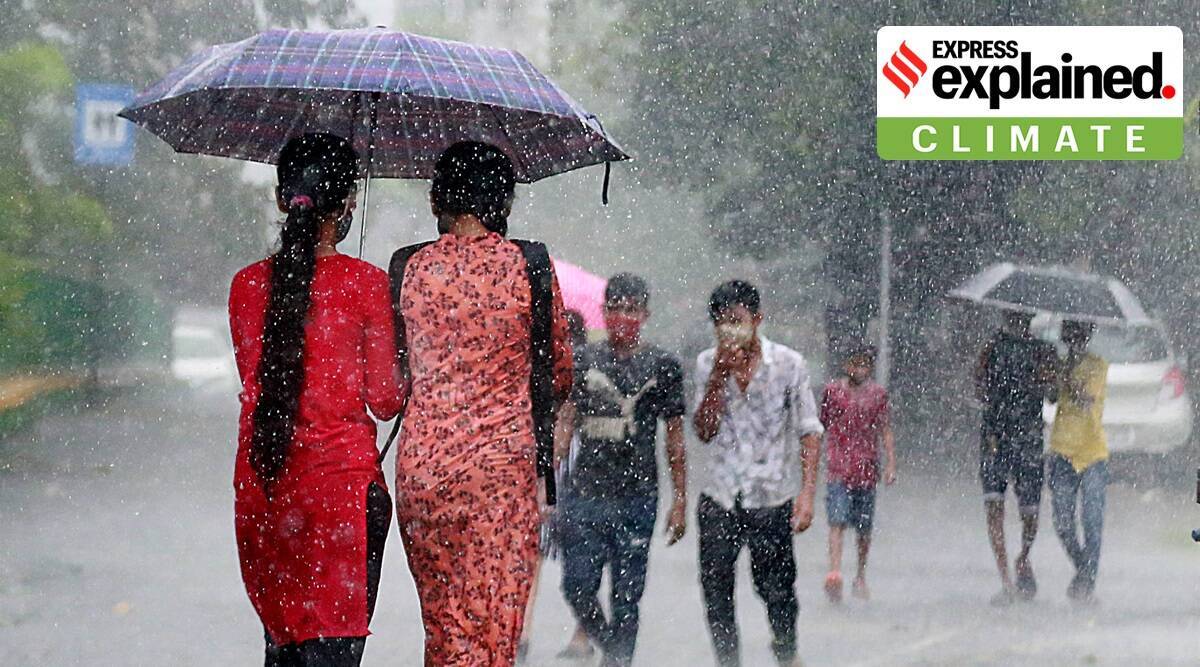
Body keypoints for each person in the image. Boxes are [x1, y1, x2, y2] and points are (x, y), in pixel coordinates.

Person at [390, 141, 573, 666]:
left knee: (445, 628)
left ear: (436, 201)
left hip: (423, 474)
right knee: (494, 630)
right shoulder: (528, 265)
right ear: (505, 203)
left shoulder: (409, 268)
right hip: (500, 475)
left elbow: (396, 378)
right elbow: (559, 373)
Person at [228, 133, 403, 666]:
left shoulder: (245, 286)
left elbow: (266, 384)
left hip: (264, 488)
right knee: (333, 650)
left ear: (284, 200)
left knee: (283, 648)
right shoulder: (367, 284)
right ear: (348, 205)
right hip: (340, 498)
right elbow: (385, 399)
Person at [557, 274, 688, 667]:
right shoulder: (583, 360)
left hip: (637, 496)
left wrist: (680, 500)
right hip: (585, 494)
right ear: (605, 312)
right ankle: (613, 649)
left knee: (627, 596)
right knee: (576, 586)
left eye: (632, 309)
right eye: (615, 308)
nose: (623, 317)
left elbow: (676, 438)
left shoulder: (663, 366)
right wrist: (545, 481)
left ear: (644, 314)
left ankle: (618, 661)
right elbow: (565, 419)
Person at [692, 280, 823, 667]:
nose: (729, 331)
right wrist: (717, 378)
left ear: (756, 319)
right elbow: (703, 430)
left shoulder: (789, 364)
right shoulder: (705, 364)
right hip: (720, 496)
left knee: (777, 590)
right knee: (716, 593)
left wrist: (806, 495)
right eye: (721, 323)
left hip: (771, 497)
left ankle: (786, 652)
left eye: (736, 320)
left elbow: (809, 431)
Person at [518, 309, 588, 664]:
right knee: (536, 552)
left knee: (575, 561)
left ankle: (571, 631)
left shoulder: (583, 372)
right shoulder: (536, 371)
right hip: (550, 468)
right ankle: (526, 631)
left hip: (572, 474)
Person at [974, 310, 1057, 605]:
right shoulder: (992, 346)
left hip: (1028, 438)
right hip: (995, 437)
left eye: (1021, 316)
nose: (1016, 321)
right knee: (994, 505)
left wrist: (1047, 374)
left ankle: (1023, 556)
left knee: (1030, 512)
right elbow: (979, 389)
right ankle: (1006, 579)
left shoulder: (1042, 350)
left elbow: (1053, 394)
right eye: (1012, 316)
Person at [819, 344, 896, 603]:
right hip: (838, 469)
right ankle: (835, 571)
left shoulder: (877, 395)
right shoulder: (832, 392)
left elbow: (885, 430)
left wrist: (890, 464)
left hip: (866, 469)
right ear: (846, 365)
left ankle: (860, 575)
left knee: (864, 528)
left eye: (864, 364)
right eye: (855, 363)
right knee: (836, 521)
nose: (859, 369)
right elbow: (821, 425)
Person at [1047, 320, 1109, 603]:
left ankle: (1087, 584)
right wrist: (1050, 374)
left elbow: (1087, 400)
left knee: (1092, 522)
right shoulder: (1059, 364)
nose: (1073, 340)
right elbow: (1049, 397)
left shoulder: (1097, 365)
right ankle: (1084, 570)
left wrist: (1065, 377)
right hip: (1061, 450)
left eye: (1078, 335)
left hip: (1092, 453)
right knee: (1062, 522)